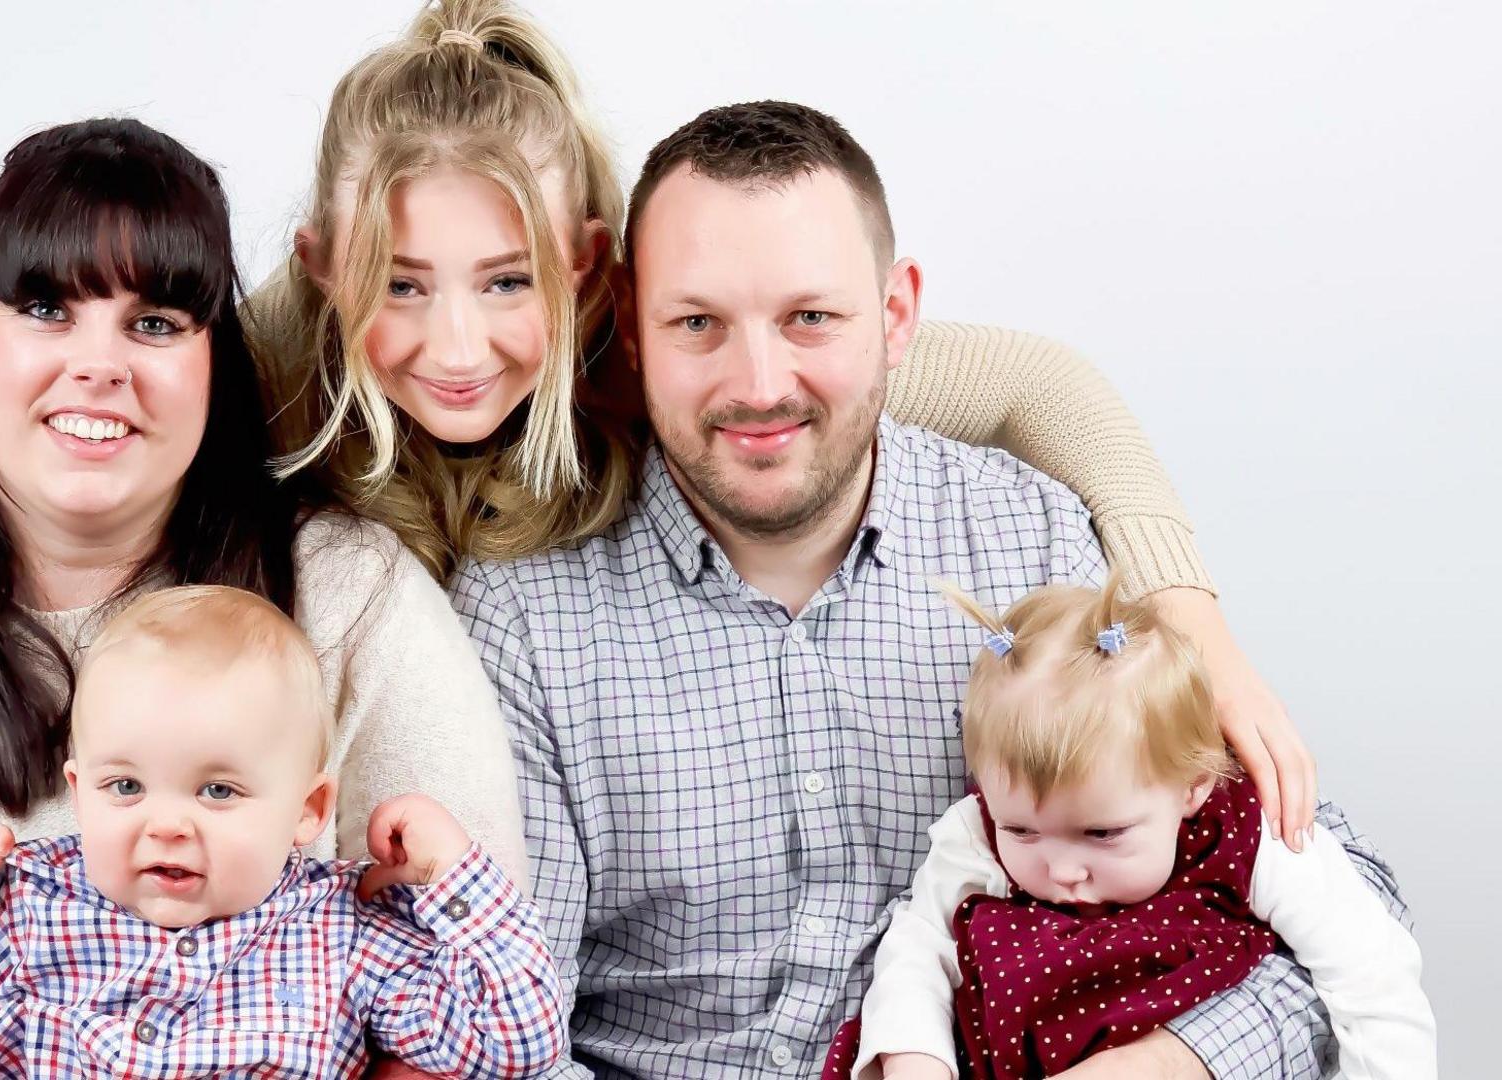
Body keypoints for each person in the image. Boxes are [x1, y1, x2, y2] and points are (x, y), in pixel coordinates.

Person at [0, 0, 1313, 922]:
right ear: (329, 268)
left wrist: (1189, 604)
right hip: (332, 815)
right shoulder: (280, 358)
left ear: (588, 266)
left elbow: (1035, 381)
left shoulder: (662, 352)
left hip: (542, 811)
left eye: (506, 285)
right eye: (403, 284)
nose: (456, 349)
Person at [448, 100, 1406, 1077]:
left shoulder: (1030, 538)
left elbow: (1334, 894)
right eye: (698, 322)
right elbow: (501, 1036)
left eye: (810, 318)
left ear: (897, 315)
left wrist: (1176, 1063)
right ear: (634, 324)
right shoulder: (528, 613)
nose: (760, 382)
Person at [0, 117, 528, 1080]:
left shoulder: (351, 596)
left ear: (217, 364)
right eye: (46, 308)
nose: (99, 364)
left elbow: (470, 1029)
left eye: (155, 323)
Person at [0, 586, 564, 1079]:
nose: (168, 826)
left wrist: (455, 877)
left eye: (218, 791)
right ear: (78, 794)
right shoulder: (30, 910)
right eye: (126, 788)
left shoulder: (343, 931)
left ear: (307, 811)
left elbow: (516, 1046)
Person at [855, 573, 1433, 1080]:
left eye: (1103, 834)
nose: (1063, 870)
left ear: (1191, 786)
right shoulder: (977, 833)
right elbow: (918, 946)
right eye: (1024, 832)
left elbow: (1371, 973)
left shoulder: (1243, 835)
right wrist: (915, 1057)